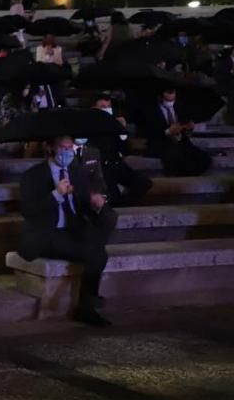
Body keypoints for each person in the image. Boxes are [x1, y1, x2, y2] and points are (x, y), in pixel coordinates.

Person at [17, 136, 116, 326]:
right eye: (63, 147)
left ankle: (87, 305)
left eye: (70, 147)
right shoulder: (33, 175)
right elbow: (29, 212)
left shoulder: (75, 171)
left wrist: (95, 203)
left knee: (99, 250)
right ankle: (87, 307)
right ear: (50, 148)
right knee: (94, 253)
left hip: (72, 230)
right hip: (45, 234)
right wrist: (56, 195)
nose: (68, 152)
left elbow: (82, 205)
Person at [90, 94, 152, 206]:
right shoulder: (88, 128)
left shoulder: (113, 125)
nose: (106, 110)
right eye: (103, 107)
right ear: (93, 109)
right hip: (102, 167)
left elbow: (126, 150)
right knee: (114, 197)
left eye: (108, 107)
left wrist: (121, 131)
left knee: (144, 183)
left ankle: (126, 204)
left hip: (117, 165)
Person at [140, 86, 212, 176]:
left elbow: (185, 126)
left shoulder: (179, 106)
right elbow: (148, 132)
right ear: (159, 97)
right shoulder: (150, 111)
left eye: (173, 94)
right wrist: (168, 132)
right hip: (160, 144)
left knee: (204, 158)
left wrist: (189, 128)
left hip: (182, 142)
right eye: (168, 101)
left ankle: (188, 177)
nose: (171, 102)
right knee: (175, 156)